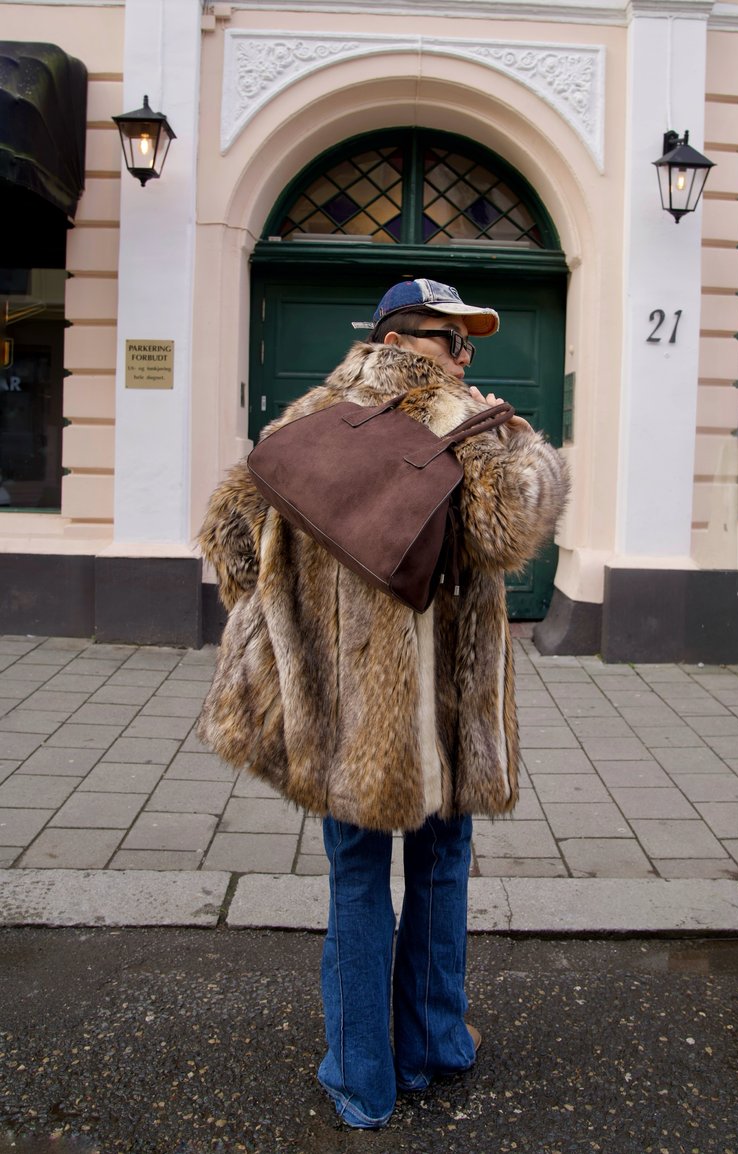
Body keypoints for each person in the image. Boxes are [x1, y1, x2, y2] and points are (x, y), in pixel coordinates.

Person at [197, 278, 569, 1129]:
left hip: (338, 718)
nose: (466, 357)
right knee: (439, 869)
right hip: (439, 712)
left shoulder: (302, 421)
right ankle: (433, 1044)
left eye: (467, 343)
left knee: (355, 880)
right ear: (409, 339)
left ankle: (361, 1078)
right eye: (454, 339)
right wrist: (517, 440)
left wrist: (306, 631)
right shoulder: (465, 425)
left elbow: (229, 543)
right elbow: (512, 529)